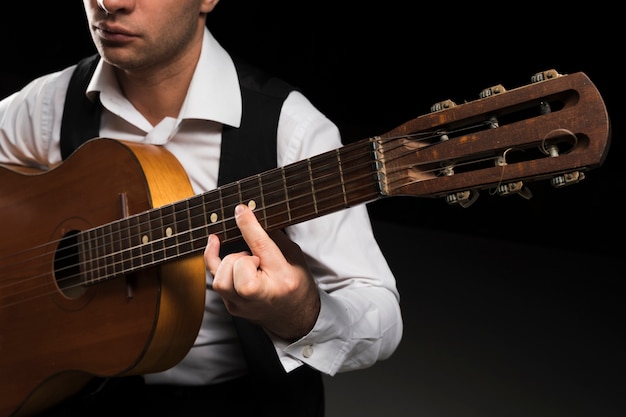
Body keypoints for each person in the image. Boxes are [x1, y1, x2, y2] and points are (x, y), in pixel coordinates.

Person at [0, 0, 402, 416]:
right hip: (74, 395)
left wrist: (300, 312)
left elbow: (381, 313)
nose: (110, 3)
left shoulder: (290, 128)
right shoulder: (52, 103)